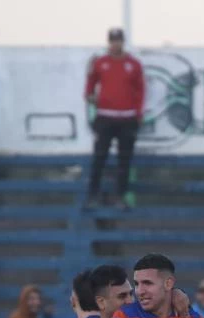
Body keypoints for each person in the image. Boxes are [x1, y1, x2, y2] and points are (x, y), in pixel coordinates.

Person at [84, 28, 144, 209]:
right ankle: (93, 196)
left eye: (118, 40)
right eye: (112, 40)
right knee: (99, 158)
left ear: (123, 42)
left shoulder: (133, 64)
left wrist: (138, 113)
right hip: (105, 117)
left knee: (124, 160)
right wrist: (89, 95)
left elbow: (140, 91)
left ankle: (120, 197)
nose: (115, 44)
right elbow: (91, 83)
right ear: (108, 42)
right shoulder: (100, 63)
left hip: (127, 119)